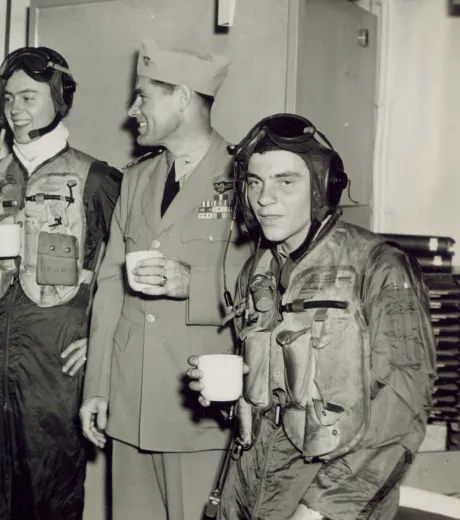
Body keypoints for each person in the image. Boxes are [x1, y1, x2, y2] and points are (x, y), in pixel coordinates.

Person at [186, 113, 436, 520]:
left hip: (329, 502)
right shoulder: (259, 269)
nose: (265, 198)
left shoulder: (380, 266)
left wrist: (320, 508)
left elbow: (401, 412)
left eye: (286, 182)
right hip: (248, 492)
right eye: (254, 182)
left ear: (323, 188)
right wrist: (230, 398)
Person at [0, 47, 122, 520]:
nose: (15, 109)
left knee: (51, 498)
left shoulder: (98, 180)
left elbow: (125, 273)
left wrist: (101, 341)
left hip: (53, 368)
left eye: (28, 97)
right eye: (8, 98)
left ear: (60, 99)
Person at [79, 40, 249, 520]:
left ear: (182, 98)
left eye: (143, 97)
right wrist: (98, 386)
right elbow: (110, 284)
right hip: (131, 405)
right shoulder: (137, 179)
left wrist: (191, 282)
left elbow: (268, 284)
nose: (132, 111)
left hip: (198, 413)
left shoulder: (244, 179)